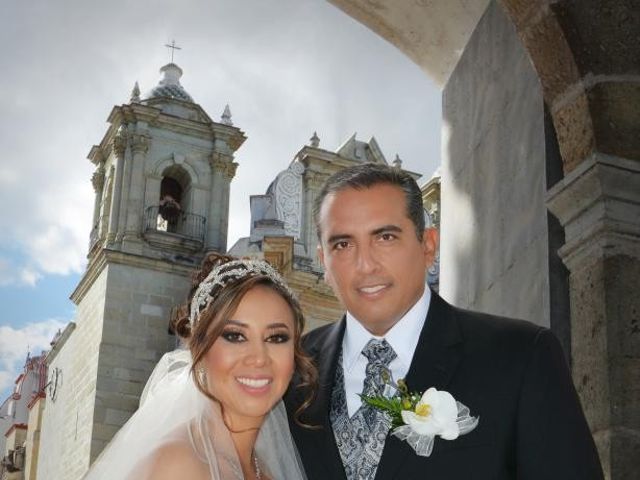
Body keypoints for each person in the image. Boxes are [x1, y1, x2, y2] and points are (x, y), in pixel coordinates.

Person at [284, 163, 603, 479]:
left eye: (385, 237)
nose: (365, 265)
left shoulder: (521, 356)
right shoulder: (288, 371)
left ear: (428, 246)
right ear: (323, 260)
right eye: (343, 244)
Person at [85, 253, 315, 480]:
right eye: (235, 336)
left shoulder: (262, 469)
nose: (259, 358)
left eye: (276, 338)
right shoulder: (177, 466)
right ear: (199, 349)